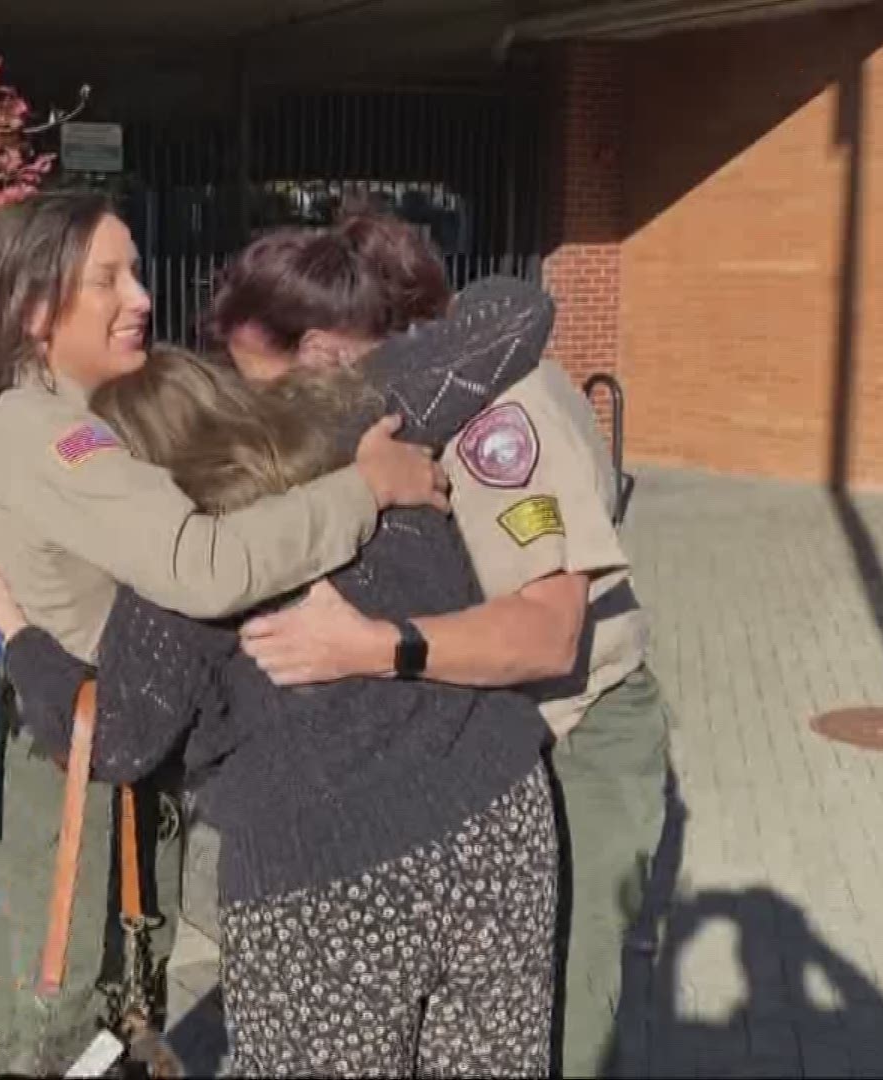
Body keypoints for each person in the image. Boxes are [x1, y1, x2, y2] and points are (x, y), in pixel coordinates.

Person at [0, 291, 563, 1075]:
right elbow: (518, 313)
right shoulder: (355, 434)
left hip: (327, 887)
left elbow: (115, 738)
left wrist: (20, 635)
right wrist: (365, 375)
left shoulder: (171, 591)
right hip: (499, 821)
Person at [221, 212, 677, 1079]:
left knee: (572, 1027)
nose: (260, 404)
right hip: (491, 749)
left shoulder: (501, 416)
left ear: (325, 350)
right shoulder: (396, 411)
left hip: (578, 735)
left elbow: (548, 632)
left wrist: (371, 647)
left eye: (262, 377)